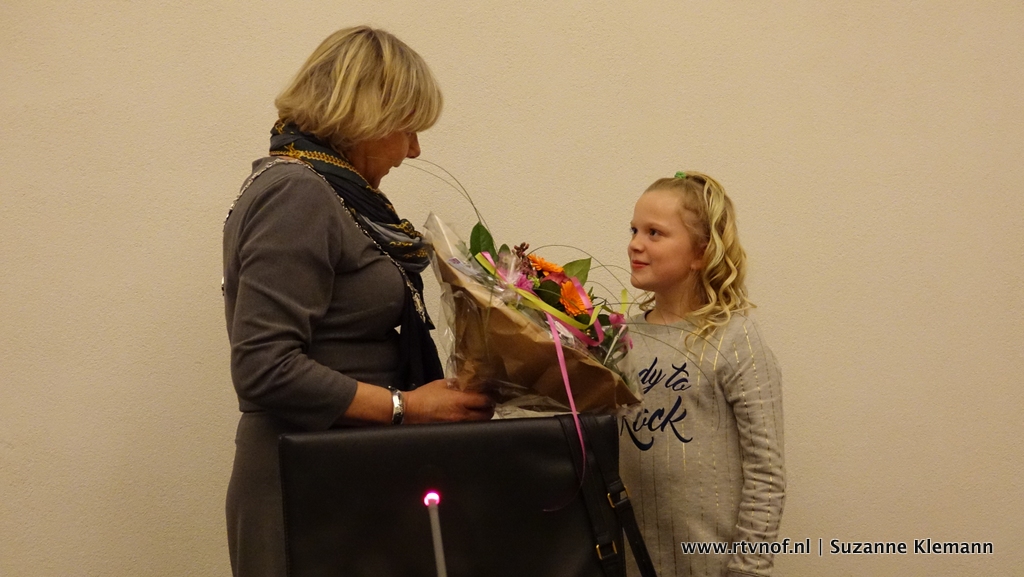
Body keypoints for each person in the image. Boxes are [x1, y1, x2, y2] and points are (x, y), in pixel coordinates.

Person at [221, 26, 494, 577]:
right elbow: (263, 367)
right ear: (368, 116)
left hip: (341, 470)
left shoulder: (329, 192)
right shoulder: (296, 193)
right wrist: (408, 408)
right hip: (305, 484)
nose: (414, 150)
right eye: (408, 128)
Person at [620, 172, 785, 577]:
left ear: (700, 253)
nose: (635, 243)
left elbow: (766, 474)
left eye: (655, 233)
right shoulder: (620, 340)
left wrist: (746, 570)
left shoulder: (735, 340)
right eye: (634, 230)